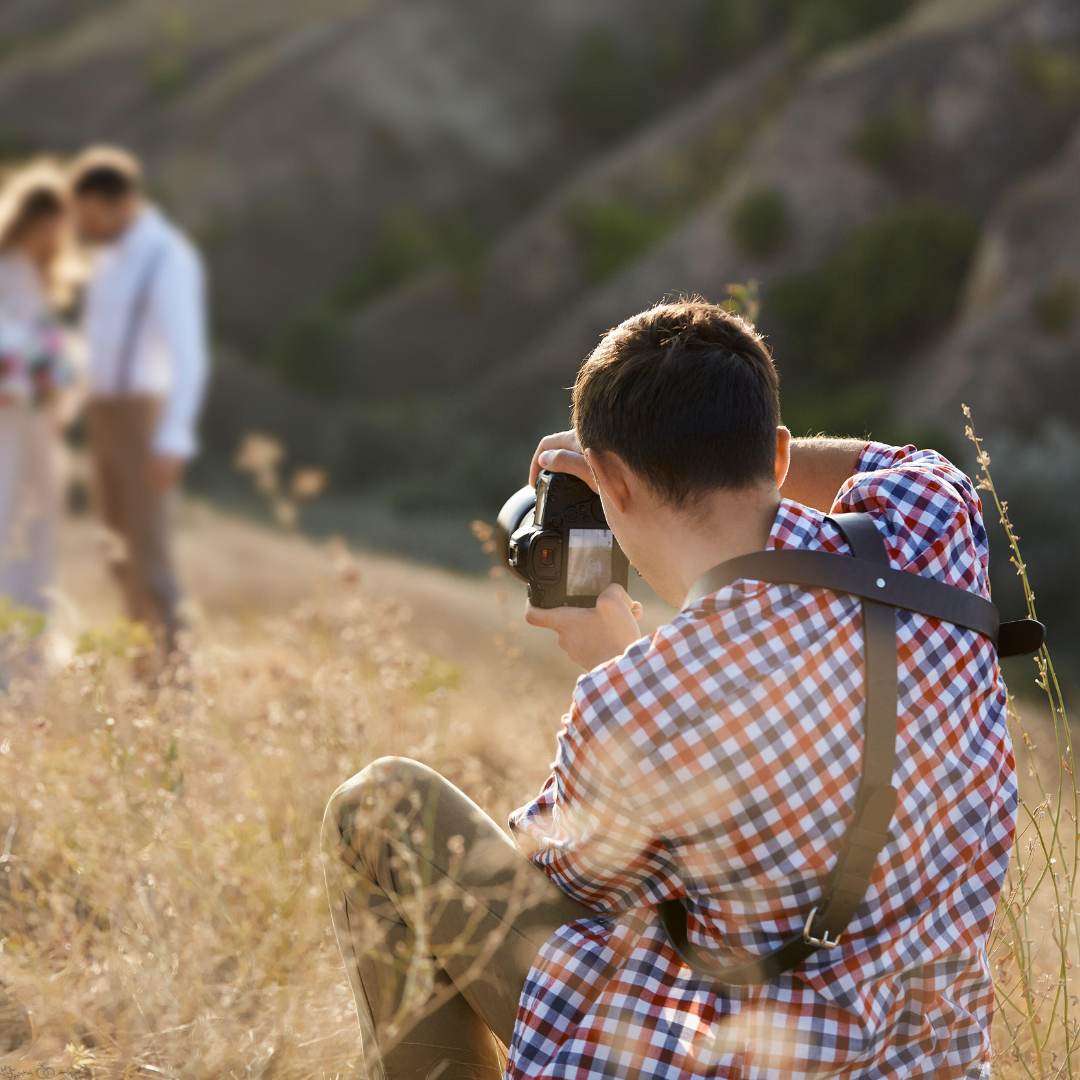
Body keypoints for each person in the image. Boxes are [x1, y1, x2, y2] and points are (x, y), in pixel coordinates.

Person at [321, 301, 1015, 1079]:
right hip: (932, 1062)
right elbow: (890, 464)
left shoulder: (639, 699)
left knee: (380, 809)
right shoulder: (934, 525)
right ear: (780, 456)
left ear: (610, 482)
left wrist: (614, 666)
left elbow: (551, 896)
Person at [69, 146, 209, 670]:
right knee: (116, 555)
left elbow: (188, 356)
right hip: (103, 414)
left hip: (143, 419)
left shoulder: (167, 258)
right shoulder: (107, 260)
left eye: (90, 215)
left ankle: (175, 689)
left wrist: (173, 437)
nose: (85, 226)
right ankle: (142, 673)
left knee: (151, 563)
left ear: (119, 202)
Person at [0, 164, 75, 632]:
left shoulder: (36, 277)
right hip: (9, 416)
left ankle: (23, 654)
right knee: (8, 516)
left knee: (36, 521)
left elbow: (48, 350)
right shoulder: (6, 270)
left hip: (32, 421)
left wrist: (54, 386)